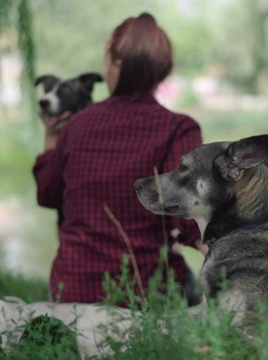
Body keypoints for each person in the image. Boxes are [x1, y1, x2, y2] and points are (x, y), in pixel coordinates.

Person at [33, 12, 204, 307]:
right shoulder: (179, 128)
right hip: (145, 290)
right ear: (160, 71)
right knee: (186, 279)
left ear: (116, 65)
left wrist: (51, 135)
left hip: (72, 290)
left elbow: (47, 195)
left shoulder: (76, 125)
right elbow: (186, 215)